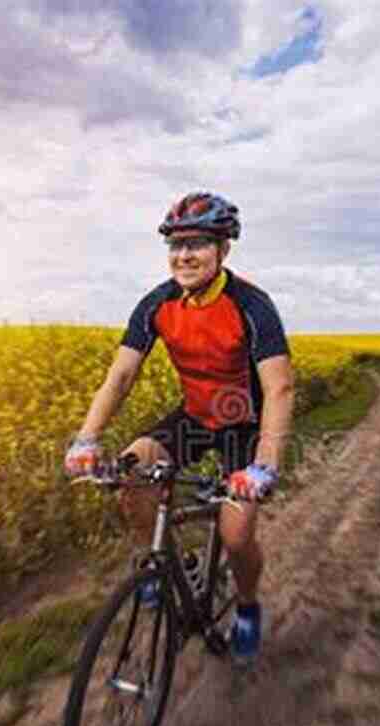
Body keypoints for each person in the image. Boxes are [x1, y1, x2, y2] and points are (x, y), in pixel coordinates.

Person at [63, 191, 295, 666]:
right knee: (131, 474)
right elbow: (121, 375)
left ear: (223, 250)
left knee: (235, 535)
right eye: (176, 244)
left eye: (199, 244)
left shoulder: (252, 305)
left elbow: (279, 389)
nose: (184, 255)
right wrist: (87, 438)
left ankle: (248, 609)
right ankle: (174, 567)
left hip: (243, 427)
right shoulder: (157, 304)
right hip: (194, 417)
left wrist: (265, 466)